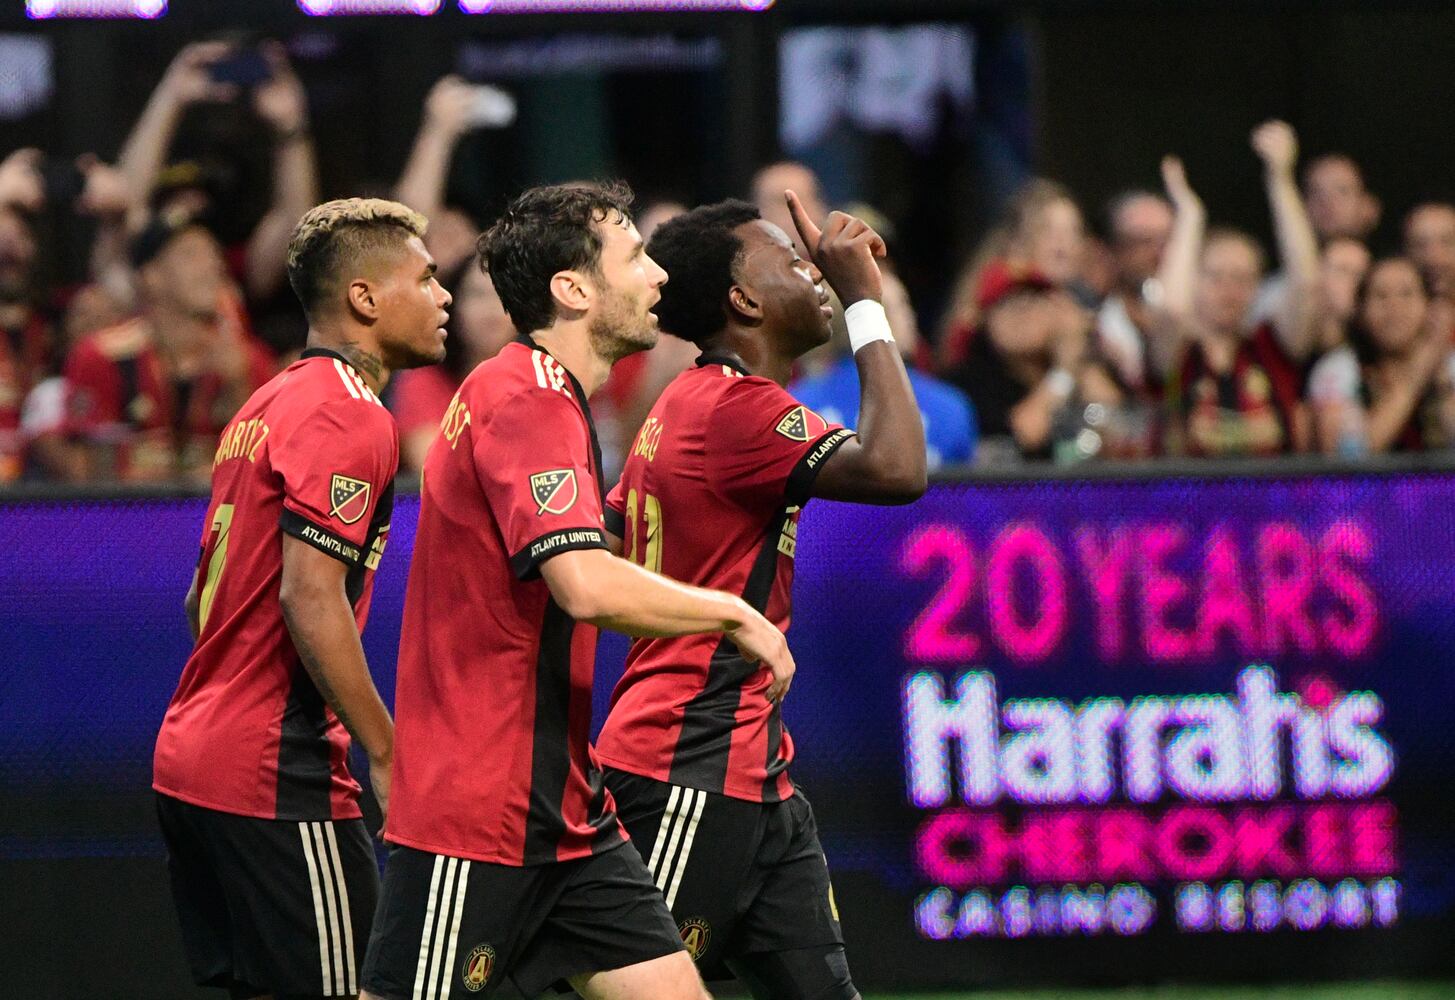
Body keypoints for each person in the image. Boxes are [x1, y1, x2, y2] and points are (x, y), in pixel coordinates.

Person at [361, 182, 794, 1000]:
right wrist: (732, 612)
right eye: (634, 258)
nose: (658, 276)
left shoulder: (540, 395)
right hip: (477, 807)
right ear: (572, 289)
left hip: (566, 809)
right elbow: (583, 584)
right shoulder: (526, 399)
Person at [595, 194, 925, 1000]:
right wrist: (865, 302)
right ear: (742, 299)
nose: (813, 270)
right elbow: (896, 468)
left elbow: (609, 532)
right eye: (790, 259)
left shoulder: (689, 401)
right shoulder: (732, 408)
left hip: (754, 772)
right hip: (686, 762)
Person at [152, 198, 452, 999]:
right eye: (425, 278)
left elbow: (198, 602)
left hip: (191, 760)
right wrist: (385, 752)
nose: (444, 295)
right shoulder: (350, 413)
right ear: (365, 297)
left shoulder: (266, 401)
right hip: (273, 775)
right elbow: (309, 595)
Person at [61, 211, 275, 481]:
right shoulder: (102, 356)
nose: (212, 265)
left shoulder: (248, 360)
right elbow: (87, 474)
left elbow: (267, 471)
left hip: (216, 507)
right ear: (151, 276)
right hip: (129, 507)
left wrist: (237, 387)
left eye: (213, 254)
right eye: (191, 255)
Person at [1162, 123, 1317, 458]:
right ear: (1194, 281)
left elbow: (1306, 284)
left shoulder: (1271, 349)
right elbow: (1172, 309)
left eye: (1242, 279)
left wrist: (1280, 181)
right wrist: (1190, 217)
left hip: (1272, 493)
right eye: (1216, 276)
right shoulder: (1179, 355)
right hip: (1188, 493)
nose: (1229, 290)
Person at [793, 265, 977, 468]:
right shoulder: (949, 407)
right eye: (902, 305)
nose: (911, 316)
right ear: (877, 321)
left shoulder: (795, 404)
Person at [1307, 257, 1455, 454]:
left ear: (1429, 307)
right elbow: (1349, 456)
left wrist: (1442, 381)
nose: (1394, 307)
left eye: (1406, 294)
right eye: (1381, 296)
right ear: (1361, 310)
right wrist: (1414, 378)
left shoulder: (1449, 365)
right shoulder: (1338, 369)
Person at [389, 262, 514, 471]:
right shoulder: (425, 378)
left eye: (502, 295)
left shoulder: (544, 376)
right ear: (454, 305)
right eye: (478, 295)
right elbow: (434, 466)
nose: (491, 309)